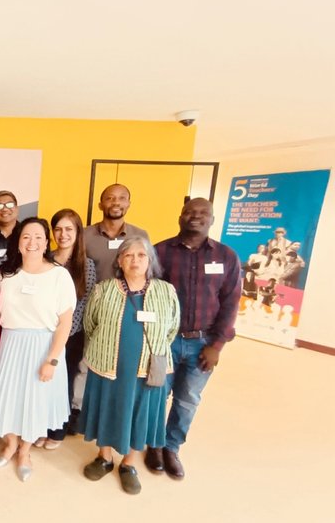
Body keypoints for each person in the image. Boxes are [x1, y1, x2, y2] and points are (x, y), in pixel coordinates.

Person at [79, 236, 180, 495]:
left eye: (141, 256)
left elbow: (171, 329)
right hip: (108, 365)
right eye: (128, 256)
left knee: (140, 413)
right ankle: (104, 457)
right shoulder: (104, 289)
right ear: (119, 261)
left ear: (150, 261)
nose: (135, 261)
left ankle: (128, 464)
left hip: (148, 368)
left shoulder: (165, 291)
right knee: (107, 408)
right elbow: (90, 324)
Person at [149, 198, 241, 479]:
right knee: (156, 393)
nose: (195, 217)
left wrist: (217, 346)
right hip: (163, 339)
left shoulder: (226, 256)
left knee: (188, 398)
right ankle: (153, 444)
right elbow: (147, 293)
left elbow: (231, 302)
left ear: (212, 220)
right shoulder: (160, 251)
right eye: (190, 211)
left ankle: (172, 447)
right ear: (180, 216)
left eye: (203, 213)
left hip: (203, 342)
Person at [0, 217, 75, 482]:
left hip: (43, 346)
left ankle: (25, 451)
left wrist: (53, 360)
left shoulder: (59, 275)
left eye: (38, 237)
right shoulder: (6, 274)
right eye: (26, 236)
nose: (32, 242)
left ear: (47, 242)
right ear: (18, 242)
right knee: (9, 396)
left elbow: (65, 322)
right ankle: (10, 443)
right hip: (11, 343)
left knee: (35, 401)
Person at [36, 208, 97, 449]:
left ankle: (57, 431)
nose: (63, 234)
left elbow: (84, 302)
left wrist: (65, 331)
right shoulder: (45, 259)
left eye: (69, 229)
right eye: (58, 229)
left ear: (77, 232)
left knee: (64, 383)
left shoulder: (86, 264)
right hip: (43, 333)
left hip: (71, 336)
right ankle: (40, 427)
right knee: (42, 382)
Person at [84, 184, 150, 281]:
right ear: (100, 205)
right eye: (110, 198)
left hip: (130, 295)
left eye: (122, 198)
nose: (116, 202)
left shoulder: (140, 235)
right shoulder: (84, 235)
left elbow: (147, 272)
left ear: (128, 204)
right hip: (93, 295)